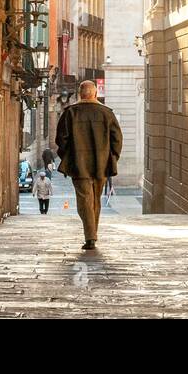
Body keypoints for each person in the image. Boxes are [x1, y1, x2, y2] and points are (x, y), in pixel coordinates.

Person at [54, 79, 123, 251]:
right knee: (95, 200)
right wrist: (112, 157)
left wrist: (67, 157)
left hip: (79, 164)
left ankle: (90, 236)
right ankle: (92, 234)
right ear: (95, 93)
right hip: (101, 164)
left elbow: (61, 140)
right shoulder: (107, 113)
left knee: (85, 200)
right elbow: (117, 140)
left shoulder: (71, 113)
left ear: (79, 94)